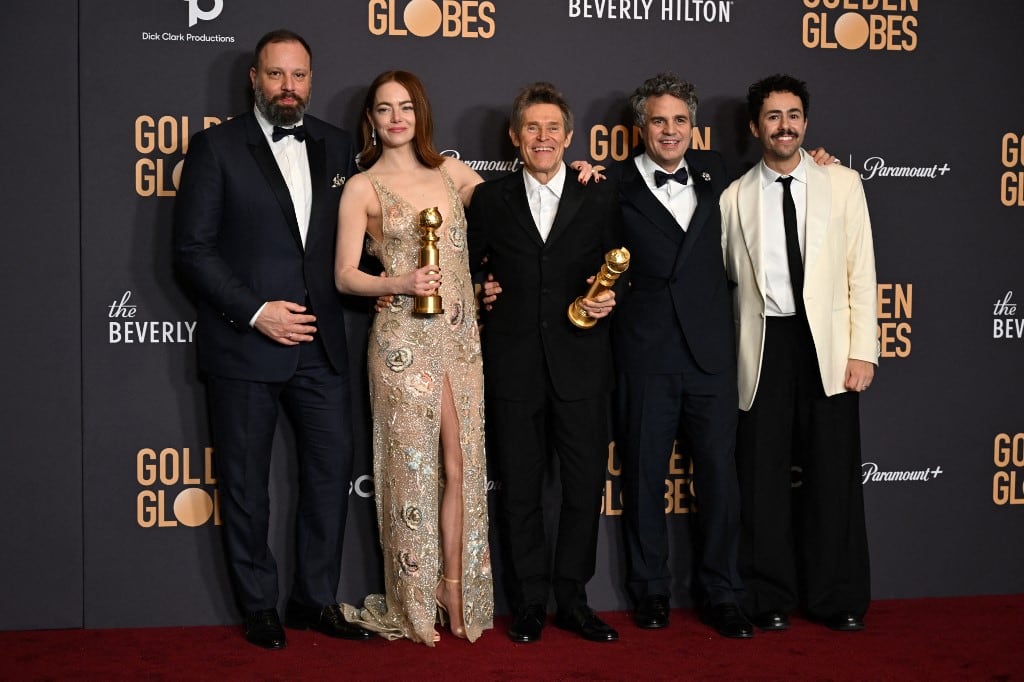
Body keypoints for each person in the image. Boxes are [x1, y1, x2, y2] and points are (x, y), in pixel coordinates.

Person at [173, 29, 369, 649]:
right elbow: (192, 252)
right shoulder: (215, 148)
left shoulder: (340, 148)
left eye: (300, 75)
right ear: (254, 80)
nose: (290, 87)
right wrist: (256, 312)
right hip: (246, 346)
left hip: (323, 348)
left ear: (312, 80)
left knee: (328, 480)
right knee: (246, 485)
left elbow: (382, 212)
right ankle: (259, 606)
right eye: (277, 75)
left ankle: (314, 599)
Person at [334, 70, 494, 646]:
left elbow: (513, 214)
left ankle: (455, 587)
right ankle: (414, 600)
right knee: (411, 475)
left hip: (459, 340)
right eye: (384, 108)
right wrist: (396, 281)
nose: (396, 117)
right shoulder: (363, 187)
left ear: (420, 113)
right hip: (402, 343)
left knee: (462, 466)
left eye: (406, 106)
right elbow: (346, 276)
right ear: (371, 119)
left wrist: (579, 176)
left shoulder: (451, 174)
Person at [466, 83, 623, 643]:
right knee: (522, 490)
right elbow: (468, 269)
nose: (543, 137)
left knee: (583, 489)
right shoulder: (490, 198)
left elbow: (623, 268)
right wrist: (483, 284)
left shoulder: (599, 194)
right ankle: (528, 600)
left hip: (582, 365)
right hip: (513, 367)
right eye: (531, 127)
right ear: (514, 136)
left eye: (553, 127)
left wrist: (611, 297)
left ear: (570, 136)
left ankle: (574, 600)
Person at [721, 74, 876, 632]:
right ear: (754, 127)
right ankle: (769, 596)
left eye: (793, 115)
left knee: (833, 474)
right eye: (772, 116)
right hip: (764, 347)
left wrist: (863, 351)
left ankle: (837, 597)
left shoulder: (843, 184)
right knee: (761, 479)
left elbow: (863, 271)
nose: (784, 125)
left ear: (805, 123)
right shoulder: (733, 197)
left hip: (828, 347)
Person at [606, 72, 752, 639]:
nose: (670, 131)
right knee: (644, 477)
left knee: (719, 477)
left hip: (712, 352)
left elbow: (777, 175)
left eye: (680, 121)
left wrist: (815, 160)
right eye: (659, 121)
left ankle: (722, 593)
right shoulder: (609, 184)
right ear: (640, 127)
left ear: (694, 126)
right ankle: (650, 591)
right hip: (645, 351)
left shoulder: (723, 173)